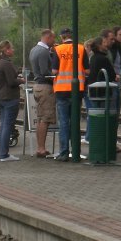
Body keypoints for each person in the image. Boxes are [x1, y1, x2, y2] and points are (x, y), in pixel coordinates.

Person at [53, 27, 86, 161]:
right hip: (77, 90)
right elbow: (88, 70)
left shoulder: (57, 50)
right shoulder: (81, 48)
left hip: (61, 90)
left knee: (63, 122)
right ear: (72, 35)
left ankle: (64, 152)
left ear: (62, 37)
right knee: (75, 121)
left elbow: (54, 71)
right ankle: (76, 151)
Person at [28, 29, 57, 159]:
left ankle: (40, 147)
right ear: (48, 37)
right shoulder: (44, 52)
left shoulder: (34, 50)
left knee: (40, 118)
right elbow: (46, 71)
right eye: (53, 38)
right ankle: (41, 148)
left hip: (37, 86)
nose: (54, 41)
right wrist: (57, 76)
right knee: (45, 118)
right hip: (45, 87)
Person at [0, 40, 22, 162]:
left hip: (1, 97)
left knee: (4, 125)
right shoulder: (6, 64)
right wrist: (21, 80)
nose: (13, 50)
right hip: (10, 98)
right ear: (6, 50)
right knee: (7, 126)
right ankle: (4, 154)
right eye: (12, 48)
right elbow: (11, 82)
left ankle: (1, 153)